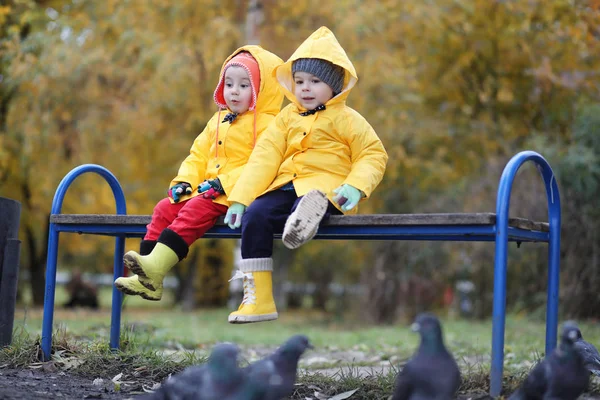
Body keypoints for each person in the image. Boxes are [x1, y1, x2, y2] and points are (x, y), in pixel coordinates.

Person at [224, 26, 388, 324]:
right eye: (299, 81)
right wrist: (239, 200)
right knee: (256, 215)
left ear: (336, 85)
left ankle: (304, 218)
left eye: (315, 81)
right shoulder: (287, 117)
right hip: (285, 186)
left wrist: (355, 187)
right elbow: (264, 158)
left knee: (314, 201)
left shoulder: (347, 119)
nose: (305, 88)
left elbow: (372, 154)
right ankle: (259, 300)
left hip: (328, 188)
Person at [114, 46, 284, 301]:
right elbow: (197, 156)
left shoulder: (270, 125)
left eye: (244, 86)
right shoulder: (217, 121)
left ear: (261, 91)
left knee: (195, 210)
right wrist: (184, 182)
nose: (234, 91)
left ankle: (156, 267)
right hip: (207, 191)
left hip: (239, 194)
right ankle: (147, 277)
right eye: (229, 84)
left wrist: (223, 183)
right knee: (164, 208)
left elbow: (261, 164)